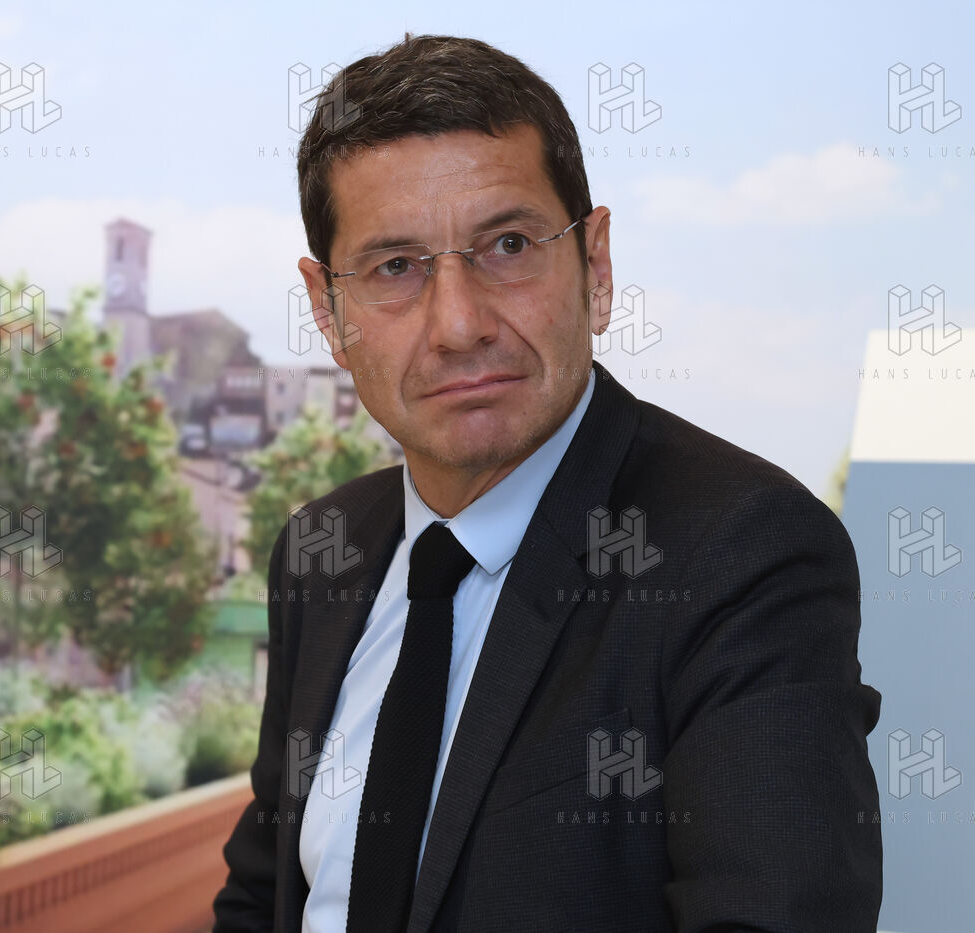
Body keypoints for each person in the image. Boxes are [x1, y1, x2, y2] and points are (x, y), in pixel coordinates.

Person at [212, 33, 882, 933]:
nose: (459, 325)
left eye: (508, 244)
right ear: (328, 312)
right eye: (395, 267)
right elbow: (263, 897)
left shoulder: (743, 555)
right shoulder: (319, 551)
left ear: (595, 267)